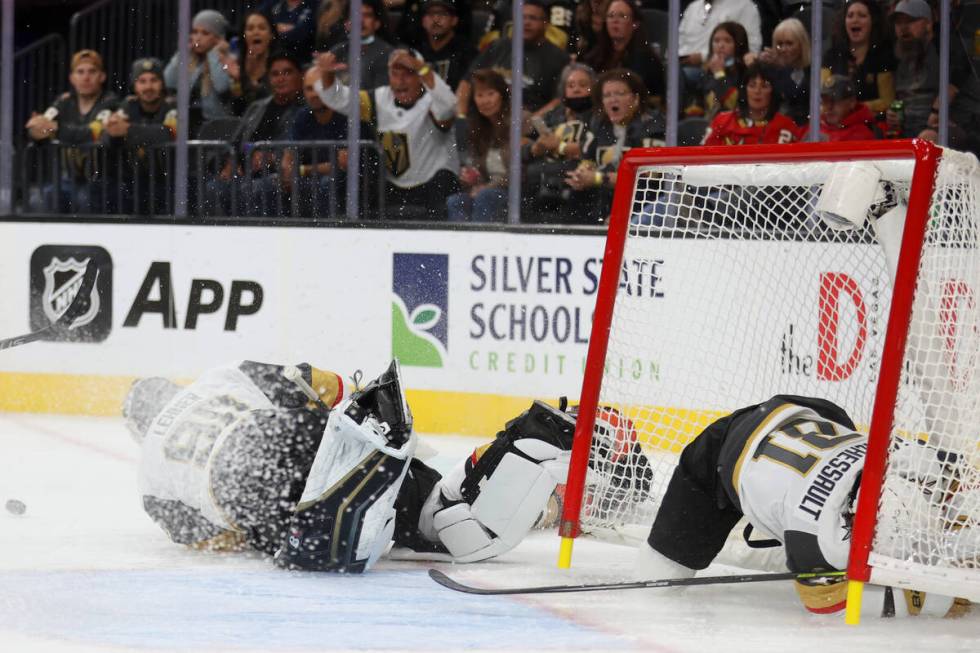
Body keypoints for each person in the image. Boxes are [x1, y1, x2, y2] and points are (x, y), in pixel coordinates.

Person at [124, 359, 576, 573]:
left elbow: (216, 538)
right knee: (433, 512)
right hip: (301, 437)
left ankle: (542, 443)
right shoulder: (216, 377)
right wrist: (353, 413)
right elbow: (311, 380)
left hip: (273, 499)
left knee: (450, 529)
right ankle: (543, 466)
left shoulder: (149, 484)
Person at [633, 394, 971, 618]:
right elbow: (826, 605)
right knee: (656, 583)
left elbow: (961, 479)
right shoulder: (817, 534)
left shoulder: (907, 461)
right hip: (718, 458)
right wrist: (936, 602)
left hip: (806, 412)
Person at [315, 48, 461, 221]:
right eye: (395, 74)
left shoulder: (433, 100)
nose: (400, 81)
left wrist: (422, 67)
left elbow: (449, 108)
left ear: (421, 76)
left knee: (443, 181)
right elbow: (339, 98)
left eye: (408, 73)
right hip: (395, 186)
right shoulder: (377, 99)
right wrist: (327, 74)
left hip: (433, 184)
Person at [206, 49, 305, 217]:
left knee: (255, 188)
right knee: (213, 187)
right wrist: (230, 162)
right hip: (247, 171)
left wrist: (273, 157)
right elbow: (237, 143)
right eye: (275, 74)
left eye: (287, 73)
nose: (280, 79)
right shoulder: (256, 108)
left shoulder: (305, 110)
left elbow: (303, 150)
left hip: (278, 175)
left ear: (300, 76)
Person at [564, 68, 664, 224]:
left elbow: (649, 180)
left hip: (644, 205)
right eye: (607, 95)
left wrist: (599, 178)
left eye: (619, 94)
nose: (612, 100)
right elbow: (588, 160)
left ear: (636, 99)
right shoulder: (599, 124)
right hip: (605, 200)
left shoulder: (653, 126)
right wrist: (581, 174)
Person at [25, 49, 119, 214]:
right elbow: (40, 128)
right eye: (80, 72)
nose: (86, 77)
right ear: (72, 78)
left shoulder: (111, 102)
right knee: (41, 197)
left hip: (101, 181)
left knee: (85, 199)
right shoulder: (63, 102)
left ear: (102, 76)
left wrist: (55, 128)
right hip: (67, 180)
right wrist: (36, 130)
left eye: (92, 71)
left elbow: (93, 133)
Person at [456, 0, 570, 117]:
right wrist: (461, 116)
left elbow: (559, 99)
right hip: (486, 120)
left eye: (533, 18)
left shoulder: (559, 58)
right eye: (522, 17)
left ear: (546, 23)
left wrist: (532, 121)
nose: (526, 22)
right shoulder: (498, 46)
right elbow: (466, 82)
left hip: (528, 124)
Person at [102, 58, 178, 215]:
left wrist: (128, 131)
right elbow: (107, 135)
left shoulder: (172, 105)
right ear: (135, 86)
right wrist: (114, 133)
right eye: (142, 81)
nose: (148, 87)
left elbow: (169, 133)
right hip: (133, 182)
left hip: (167, 182)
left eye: (154, 80)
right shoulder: (128, 105)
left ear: (162, 83)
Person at [522, 62, 596, 219]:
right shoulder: (555, 115)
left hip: (577, 177)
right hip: (544, 175)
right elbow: (525, 141)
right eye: (571, 85)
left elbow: (595, 148)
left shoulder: (598, 116)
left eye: (583, 85)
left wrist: (560, 146)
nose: (576, 89)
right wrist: (536, 148)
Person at [279, 66, 354, 219]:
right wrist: (287, 173)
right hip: (309, 178)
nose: (314, 94)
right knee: (266, 185)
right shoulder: (302, 116)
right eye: (309, 89)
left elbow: (342, 164)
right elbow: (288, 156)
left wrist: (302, 170)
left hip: (343, 181)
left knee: (327, 183)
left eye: (319, 88)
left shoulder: (344, 115)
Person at [447, 69, 514, 222]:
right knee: (456, 201)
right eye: (480, 95)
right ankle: (460, 245)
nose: (485, 101)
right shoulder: (476, 129)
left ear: (502, 95)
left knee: (485, 196)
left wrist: (488, 187)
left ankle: (480, 245)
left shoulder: (519, 120)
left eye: (490, 94)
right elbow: (479, 174)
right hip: (487, 191)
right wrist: (471, 179)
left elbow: (520, 171)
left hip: (514, 192)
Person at [582, 0, 665, 108]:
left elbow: (654, 100)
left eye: (622, 16)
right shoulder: (593, 57)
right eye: (611, 16)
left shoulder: (647, 60)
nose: (615, 21)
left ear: (635, 23)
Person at [164, 9, 234, 137]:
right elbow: (168, 82)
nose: (197, 38)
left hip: (217, 131)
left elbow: (222, 87)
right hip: (188, 129)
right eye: (195, 32)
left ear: (218, 38)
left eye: (205, 33)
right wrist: (182, 53)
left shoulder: (229, 59)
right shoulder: (191, 61)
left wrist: (214, 54)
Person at [821, 0, 896, 117]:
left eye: (862, 16)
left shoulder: (882, 57)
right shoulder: (831, 56)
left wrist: (855, 108)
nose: (855, 20)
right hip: (836, 122)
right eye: (850, 16)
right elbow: (822, 97)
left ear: (873, 21)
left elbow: (887, 101)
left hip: (870, 122)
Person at [702, 63, 801, 145]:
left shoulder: (785, 126)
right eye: (752, 85)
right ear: (745, 91)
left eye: (764, 86)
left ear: (773, 92)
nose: (757, 91)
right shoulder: (722, 122)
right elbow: (704, 158)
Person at [885, 0, 938, 139]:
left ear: (928, 24)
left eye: (910, 21)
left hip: (937, 128)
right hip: (906, 129)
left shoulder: (943, 54)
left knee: (928, 137)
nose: (903, 27)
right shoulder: (898, 57)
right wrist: (893, 114)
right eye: (898, 23)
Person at [749, 17, 812, 127]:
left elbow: (796, 96)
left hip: (803, 127)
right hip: (771, 128)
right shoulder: (770, 69)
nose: (783, 49)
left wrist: (781, 68)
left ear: (801, 44)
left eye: (789, 43)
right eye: (779, 44)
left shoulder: (812, 70)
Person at [682, 21, 749, 120]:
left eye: (727, 41)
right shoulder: (708, 71)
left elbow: (733, 104)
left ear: (738, 45)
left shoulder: (745, 71)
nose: (720, 45)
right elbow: (699, 102)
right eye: (716, 41)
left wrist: (719, 74)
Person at [328, 0, 396, 91]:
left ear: (376, 23)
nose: (360, 20)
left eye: (367, 15)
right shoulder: (335, 53)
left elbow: (379, 98)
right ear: (346, 24)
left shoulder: (390, 55)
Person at [678, 0, 762, 68]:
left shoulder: (745, 6)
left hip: (724, 69)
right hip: (681, 64)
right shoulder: (693, 7)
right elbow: (678, 41)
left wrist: (703, 57)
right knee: (669, 71)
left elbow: (751, 49)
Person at [226, 10, 280, 117]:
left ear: (271, 35)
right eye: (250, 28)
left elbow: (274, 102)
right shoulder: (237, 64)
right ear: (244, 35)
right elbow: (237, 111)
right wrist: (237, 81)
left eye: (262, 28)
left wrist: (251, 82)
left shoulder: (279, 63)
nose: (256, 32)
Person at [415, 0, 476, 91]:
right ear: (423, 21)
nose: (436, 19)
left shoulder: (467, 53)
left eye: (443, 14)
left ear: (454, 20)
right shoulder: (416, 54)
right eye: (431, 14)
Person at [817, 74, 878, 141]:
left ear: (852, 102)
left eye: (835, 100)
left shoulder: (862, 134)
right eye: (825, 101)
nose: (829, 107)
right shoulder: (814, 126)